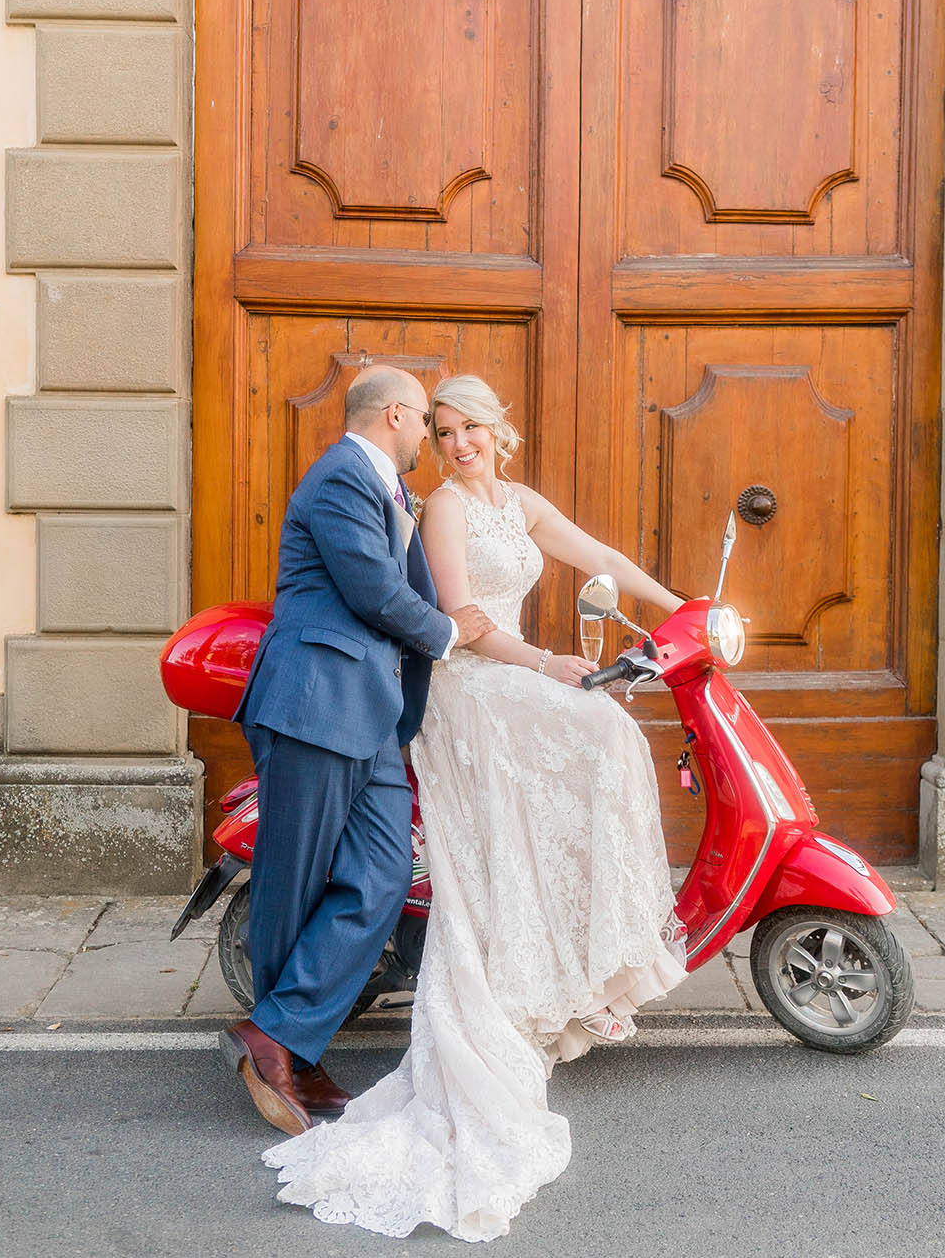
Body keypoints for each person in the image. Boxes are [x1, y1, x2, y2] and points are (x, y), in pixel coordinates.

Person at [262, 374, 689, 1239]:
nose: (454, 443)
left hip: (492, 669)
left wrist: (683, 607)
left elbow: (597, 556)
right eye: (441, 427)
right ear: (413, 424)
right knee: (601, 730)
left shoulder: (515, 500)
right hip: (467, 682)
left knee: (603, 730)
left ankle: (581, 952)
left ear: (500, 430)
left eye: (469, 428)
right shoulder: (432, 504)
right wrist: (543, 662)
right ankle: (277, 1041)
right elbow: (446, 616)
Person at [221, 365, 493, 1137]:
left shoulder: (389, 488)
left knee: (380, 877)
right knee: (293, 881)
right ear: (397, 415)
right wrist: (451, 631)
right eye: (426, 427)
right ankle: (288, 1051)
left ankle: (279, 1032)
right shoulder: (340, 475)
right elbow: (372, 588)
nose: (432, 443)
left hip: (372, 715)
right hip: (315, 703)